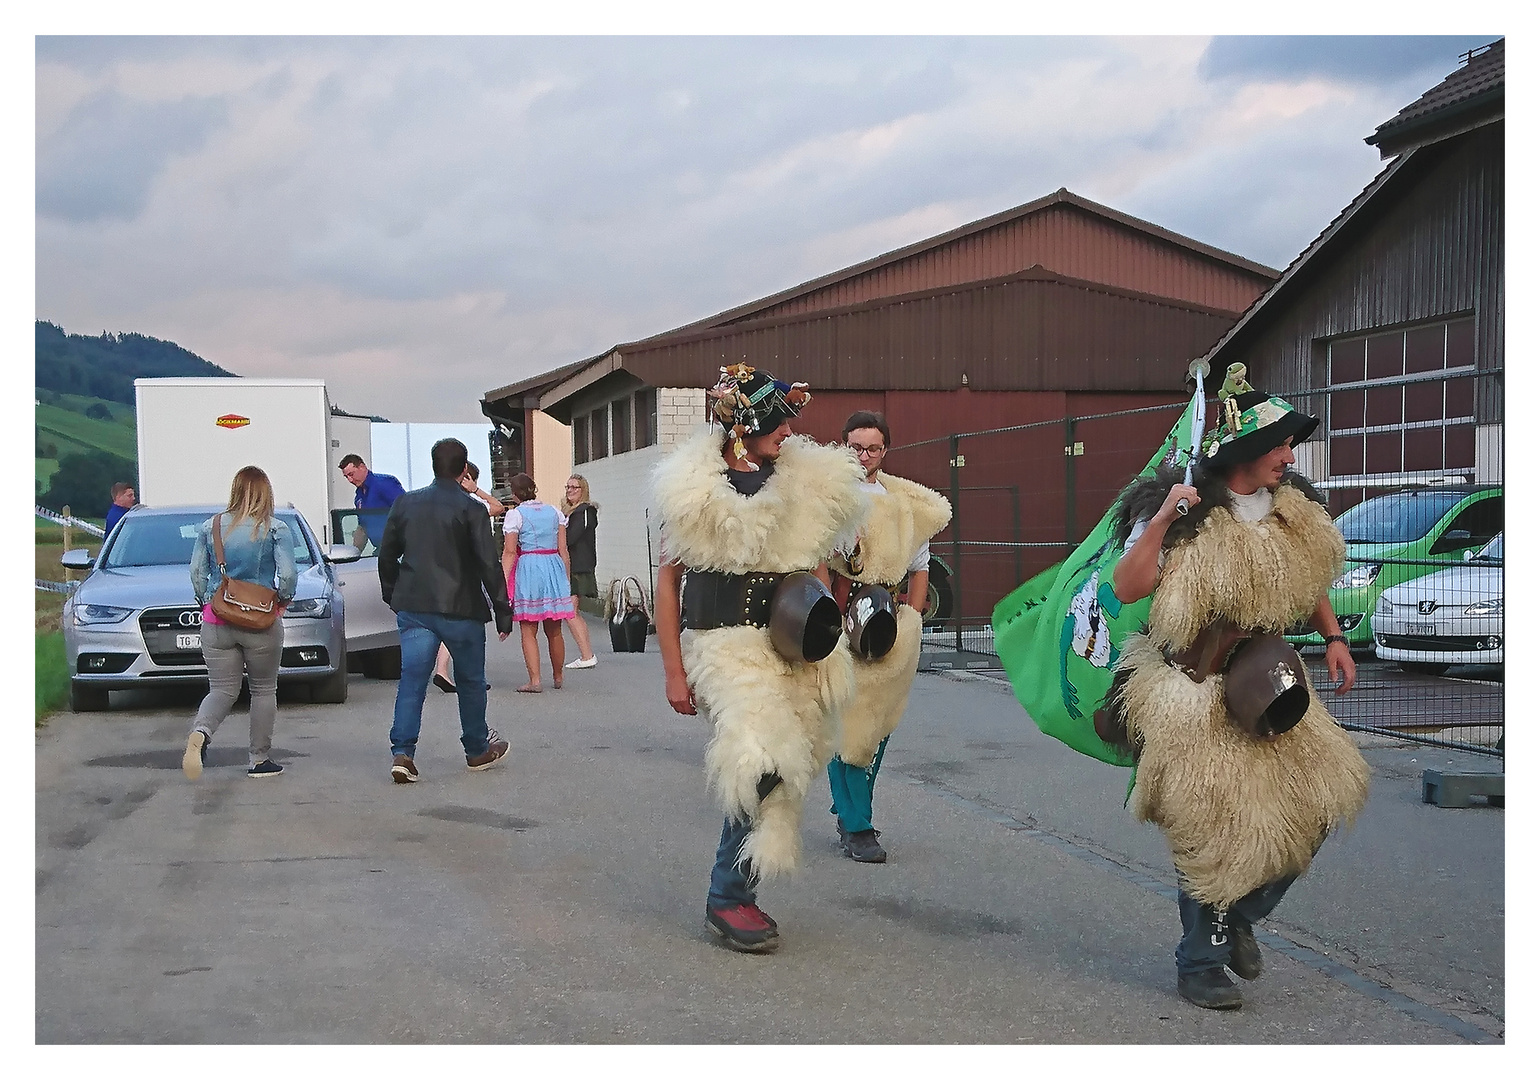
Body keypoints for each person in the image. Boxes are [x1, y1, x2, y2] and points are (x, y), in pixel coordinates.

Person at [1100, 367, 1369, 1011]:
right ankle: (1201, 961)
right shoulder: (1188, 515)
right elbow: (1128, 587)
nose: (1290, 455)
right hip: (1193, 692)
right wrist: (1163, 518)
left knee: (1318, 806)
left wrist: (1333, 636)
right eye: (1280, 443)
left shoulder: (1290, 515)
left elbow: (1306, 581)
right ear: (1244, 449)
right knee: (1212, 825)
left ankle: (1243, 913)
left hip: (1267, 684)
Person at [653, 364, 866, 953]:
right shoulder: (692, 494)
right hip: (725, 648)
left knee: (789, 767)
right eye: (778, 425)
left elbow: (815, 564)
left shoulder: (801, 482)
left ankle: (739, 891)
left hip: (793, 645)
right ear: (746, 427)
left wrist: (827, 632)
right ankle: (726, 897)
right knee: (759, 758)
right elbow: (667, 585)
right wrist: (674, 668)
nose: (789, 436)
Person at [825, 411, 951, 863]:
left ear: (885, 450)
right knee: (847, 722)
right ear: (843, 446)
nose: (864, 455)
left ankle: (849, 810)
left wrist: (913, 616)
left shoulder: (900, 502)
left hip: (888, 620)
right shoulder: (828, 496)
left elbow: (921, 562)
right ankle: (857, 825)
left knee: (877, 725)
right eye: (856, 446)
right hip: (840, 617)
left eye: (873, 447)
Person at [377, 438, 513, 784]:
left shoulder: (406, 503)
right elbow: (487, 562)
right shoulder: (472, 509)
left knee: (412, 681)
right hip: (461, 607)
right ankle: (476, 749)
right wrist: (502, 608)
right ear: (464, 469)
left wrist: (393, 593)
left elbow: (387, 554)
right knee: (470, 681)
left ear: (434, 465)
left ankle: (403, 753)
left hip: (414, 605)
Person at [183, 466, 297, 781]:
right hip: (261, 621)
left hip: (217, 619)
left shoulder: (212, 527)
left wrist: (206, 602)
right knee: (263, 690)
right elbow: (287, 575)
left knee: (221, 688)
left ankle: (201, 733)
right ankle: (259, 760)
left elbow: (196, 573)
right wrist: (282, 601)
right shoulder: (275, 528)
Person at [433, 461, 505, 693]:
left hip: (440, 570)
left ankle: (441, 670)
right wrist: (475, 490)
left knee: (447, 624)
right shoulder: (472, 507)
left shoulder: (438, 505)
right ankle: (471, 677)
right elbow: (498, 507)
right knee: (469, 626)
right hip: (466, 573)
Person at [500, 473, 575, 693]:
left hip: (529, 566)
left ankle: (535, 680)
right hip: (553, 565)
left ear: (515, 494)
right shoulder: (555, 512)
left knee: (528, 628)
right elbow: (564, 550)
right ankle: (558, 676)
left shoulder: (515, 515)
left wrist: (503, 583)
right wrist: (565, 579)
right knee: (554, 629)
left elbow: (510, 551)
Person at [558, 474, 599, 670]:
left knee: (570, 611)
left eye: (575, 487)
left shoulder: (585, 511)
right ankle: (587, 654)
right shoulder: (570, 513)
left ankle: (586, 655)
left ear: (583, 490)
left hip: (578, 567)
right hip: (573, 565)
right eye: (568, 487)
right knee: (573, 611)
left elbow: (571, 538)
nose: (570, 490)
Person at [337, 453, 406, 551]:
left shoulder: (384, 483)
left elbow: (406, 510)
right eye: (346, 477)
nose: (350, 480)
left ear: (362, 467)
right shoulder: (359, 496)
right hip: (381, 549)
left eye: (351, 474)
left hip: (398, 547)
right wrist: (352, 554)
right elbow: (363, 528)